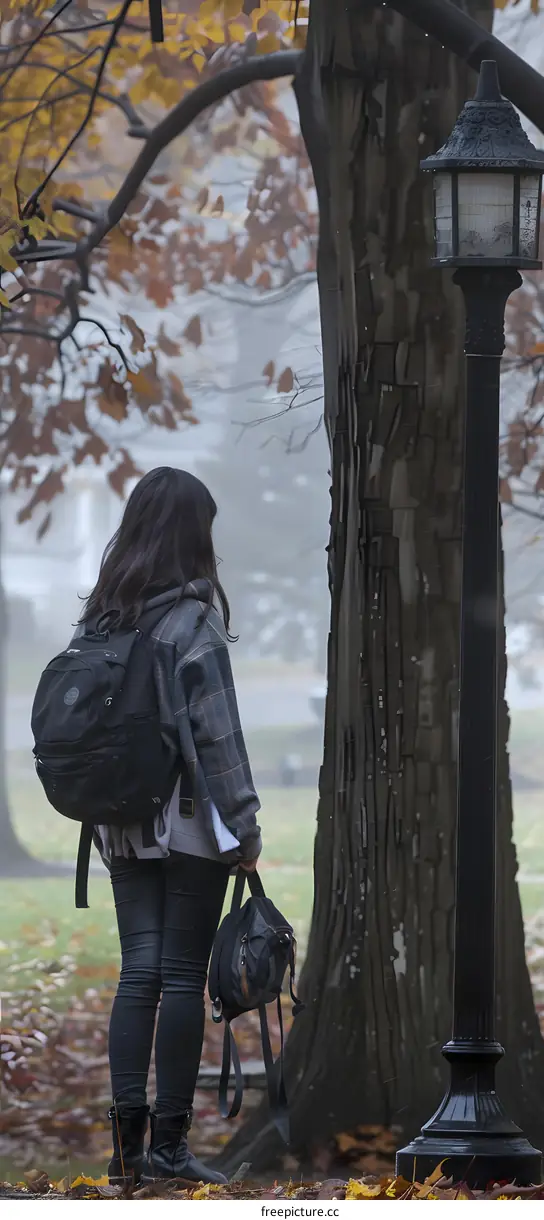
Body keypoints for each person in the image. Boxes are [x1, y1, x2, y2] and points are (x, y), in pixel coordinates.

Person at [76, 467, 262, 1187]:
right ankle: (171, 1147)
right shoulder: (192, 620)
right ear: (194, 534)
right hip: (189, 823)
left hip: (118, 824)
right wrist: (243, 826)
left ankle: (127, 1151)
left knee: (139, 973)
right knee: (181, 975)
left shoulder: (105, 616)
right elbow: (218, 736)